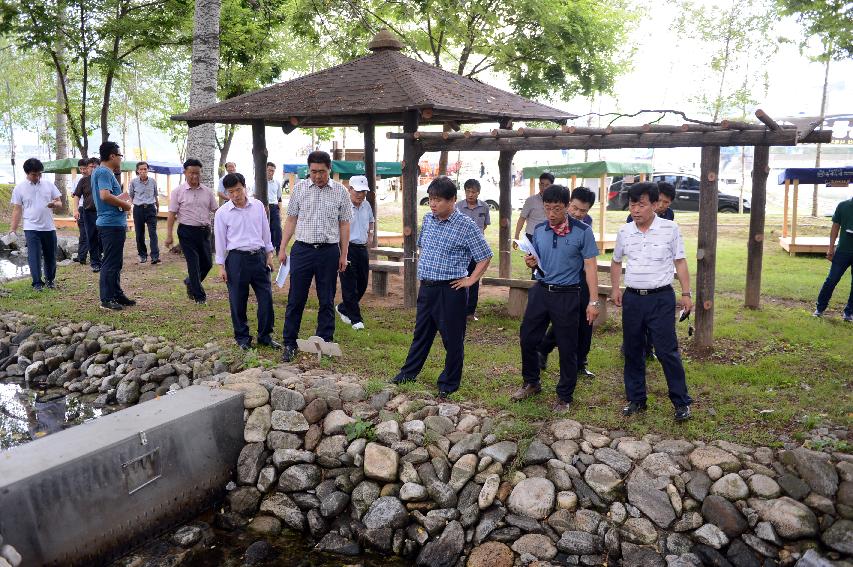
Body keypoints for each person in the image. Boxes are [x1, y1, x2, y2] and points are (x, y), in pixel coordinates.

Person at [390, 176, 492, 399]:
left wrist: (471, 280)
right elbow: (422, 247)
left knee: (452, 339)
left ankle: (449, 382)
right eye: (431, 200)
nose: (433, 204)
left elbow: (485, 255)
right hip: (427, 288)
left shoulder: (466, 225)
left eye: (438, 200)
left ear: (452, 200)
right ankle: (408, 373)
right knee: (421, 334)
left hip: (451, 289)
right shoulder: (428, 220)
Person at [611, 182, 693, 423]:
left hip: (661, 298)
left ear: (656, 205)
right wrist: (616, 288)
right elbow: (616, 262)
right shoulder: (625, 231)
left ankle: (681, 402)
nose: (636, 209)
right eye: (632, 204)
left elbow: (680, 261)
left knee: (667, 351)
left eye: (642, 204)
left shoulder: (670, 229)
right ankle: (636, 399)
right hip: (633, 298)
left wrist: (686, 293)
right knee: (633, 350)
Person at [512, 185, 599, 412]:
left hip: (568, 293)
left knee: (568, 346)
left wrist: (593, 301)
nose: (552, 213)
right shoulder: (540, 229)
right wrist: (531, 262)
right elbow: (537, 259)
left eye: (557, 209)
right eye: (548, 208)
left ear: (566, 206)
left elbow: (590, 269)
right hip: (541, 290)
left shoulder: (582, 231)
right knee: (528, 337)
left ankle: (564, 396)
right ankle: (531, 382)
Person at [278, 150, 352, 362]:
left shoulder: (340, 192)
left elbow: (345, 224)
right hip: (302, 249)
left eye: (321, 171)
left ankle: (325, 341)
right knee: (296, 298)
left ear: (329, 169)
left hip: (328, 251)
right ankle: (289, 343)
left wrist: (343, 254)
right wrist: (283, 247)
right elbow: (291, 220)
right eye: (313, 172)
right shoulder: (300, 189)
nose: (317, 176)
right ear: (308, 170)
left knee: (326, 299)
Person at [538, 186, 598, 378]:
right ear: (568, 203)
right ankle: (544, 348)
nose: (578, 213)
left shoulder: (585, 227)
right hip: (561, 281)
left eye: (583, 211)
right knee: (565, 319)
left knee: (585, 323)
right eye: (575, 208)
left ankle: (580, 362)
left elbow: (589, 260)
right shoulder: (552, 221)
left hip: (581, 279)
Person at [215, 173, 280, 350]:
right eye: (230, 192)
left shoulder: (258, 206)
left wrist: (269, 255)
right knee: (238, 300)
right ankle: (243, 338)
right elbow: (220, 241)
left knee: (266, 298)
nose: (235, 195)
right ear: (226, 193)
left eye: (238, 189)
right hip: (236, 260)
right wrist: (221, 266)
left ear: (245, 187)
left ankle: (265, 335)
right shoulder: (222, 213)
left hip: (259, 258)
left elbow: (265, 232)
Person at [623, 181, 677, 360]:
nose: (662, 206)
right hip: (637, 281)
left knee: (661, 330)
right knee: (635, 329)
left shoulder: (670, 218)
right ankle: (634, 347)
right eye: (660, 201)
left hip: (659, 283)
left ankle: (650, 348)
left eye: (666, 203)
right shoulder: (633, 219)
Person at [165, 159, 219, 305]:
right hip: (186, 232)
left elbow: (217, 210)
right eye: (191, 173)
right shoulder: (178, 192)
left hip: (204, 232)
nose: (194, 176)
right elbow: (171, 214)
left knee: (207, 263)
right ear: (185, 173)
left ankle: (190, 282)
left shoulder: (207, 192)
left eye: (197, 173)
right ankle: (199, 296)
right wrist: (169, 235)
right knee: (193, 264)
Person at [91, 142, 135, 310]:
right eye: (120, 155)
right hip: (110, 224)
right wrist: (126, 205)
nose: (120, 159)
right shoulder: (103, 171)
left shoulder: (104, 172)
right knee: (110, 262)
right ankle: (107, 299)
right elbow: (104, 196)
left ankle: (116, 294)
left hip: (113, 223)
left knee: (116, 262)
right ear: (112, 156)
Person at [8, 158, 62, 291]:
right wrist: (12, 229)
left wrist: (54, 204)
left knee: (50, 255)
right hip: (31, 228)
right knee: (34, 256)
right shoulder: (19, 188)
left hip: (49, 227)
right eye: (34, 174)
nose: (37, 177)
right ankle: (37, 283)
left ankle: (50, 280)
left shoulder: (48, 185)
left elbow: (59, 202)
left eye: (39, 174)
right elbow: (17, 209)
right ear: (27, 173)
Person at [336, 175, 374, 331]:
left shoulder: (367, 205)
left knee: (363, 283)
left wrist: (371, 235)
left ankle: (344, 307)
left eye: (364, 191)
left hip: (362, 248)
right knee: (349, 285)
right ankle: (356, 319)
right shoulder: (343, 206)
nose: (361, 195)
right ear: (350, 189)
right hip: (347, 247)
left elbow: (371, 221)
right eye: (357, 191)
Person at [455, 178, 490, 321]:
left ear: (478, 193)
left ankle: (470, 313)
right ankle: (458, 310)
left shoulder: (485, 207)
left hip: (478, 251)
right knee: (460, 279)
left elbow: (485, 225)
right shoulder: (457, 206)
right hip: (462, 250)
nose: (470, 194)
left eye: (473, 192)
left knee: (474, 280)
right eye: (468, 191)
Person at [814, 196, 853, 321]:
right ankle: (819, 309)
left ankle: (849, 313)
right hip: (842, 252)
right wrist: (831, 248)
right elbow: (835, 227)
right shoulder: (843, 206)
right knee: (832, 280)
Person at [72, 158, 102, 273]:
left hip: (103, 213)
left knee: (103, 237)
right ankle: (95, 262)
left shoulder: (104, 179)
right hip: (89, 212)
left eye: (95, 166)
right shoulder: (83, 181)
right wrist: (75, 210)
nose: (93, 169)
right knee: (92, 237)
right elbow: (76, 195)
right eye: (91, 167)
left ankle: (102, 258)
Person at [129, 161, 160, 264]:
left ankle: (155, 256)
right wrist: (131, 207)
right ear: (137, 171)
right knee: (139, 234)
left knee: (153, 233)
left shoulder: (153, 181)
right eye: (141, 169)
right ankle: (142, 255)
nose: (143, 171)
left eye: (145, 169)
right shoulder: (133, 182)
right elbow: (131, 196)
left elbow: (155, 195)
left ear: (148, 170)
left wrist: (157, 206)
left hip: (151, 208)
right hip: (138, 209)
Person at [515, 172, 554, 242]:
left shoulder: (556, 201)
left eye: (547, 185)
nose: (544, 188)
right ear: (539, 184)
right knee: (530, 253)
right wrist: (516, 235)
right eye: (542, 184)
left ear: (552, 186)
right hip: (531, 235)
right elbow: (522, 218)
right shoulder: (530, 200)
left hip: (549, 235)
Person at [261, 161, 283, 253]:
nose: (271, 172)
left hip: (274, 207)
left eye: (273, 171)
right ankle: (267, 248)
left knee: (277, 228)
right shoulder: (260, 182)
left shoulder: (277, 183)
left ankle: (279, 247)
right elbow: (255, 195)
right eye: (269, 170)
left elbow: (279, 197)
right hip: (263, 207)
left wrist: (280, 211)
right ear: (265, 170)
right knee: (266, 228)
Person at [72, 158, 89, 265]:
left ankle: (97, 254)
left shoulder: (94, 178)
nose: (82, 171)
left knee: (93, 233)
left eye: (85, 169)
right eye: (81, 169)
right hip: (81, 209)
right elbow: (74, 195)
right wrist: (75, 210)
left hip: (92, 209)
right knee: (83, 233)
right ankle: (81, 256)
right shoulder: (76, 180)